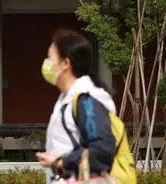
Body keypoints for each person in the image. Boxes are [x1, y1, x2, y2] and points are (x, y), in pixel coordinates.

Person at [35, 28, 117, 180]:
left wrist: (61, 162)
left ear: (65, 63)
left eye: (50, 57)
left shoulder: (86, 100)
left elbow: (101, 149)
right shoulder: (68, 99)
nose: (47, 63)